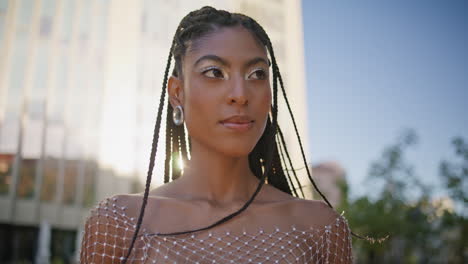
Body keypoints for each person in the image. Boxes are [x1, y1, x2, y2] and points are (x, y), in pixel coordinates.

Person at [80, 6, 353, 263]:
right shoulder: (120, 223)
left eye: (257, 74)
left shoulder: (322, 228)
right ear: (177, 93)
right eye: (214, 72)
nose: (240, 95)